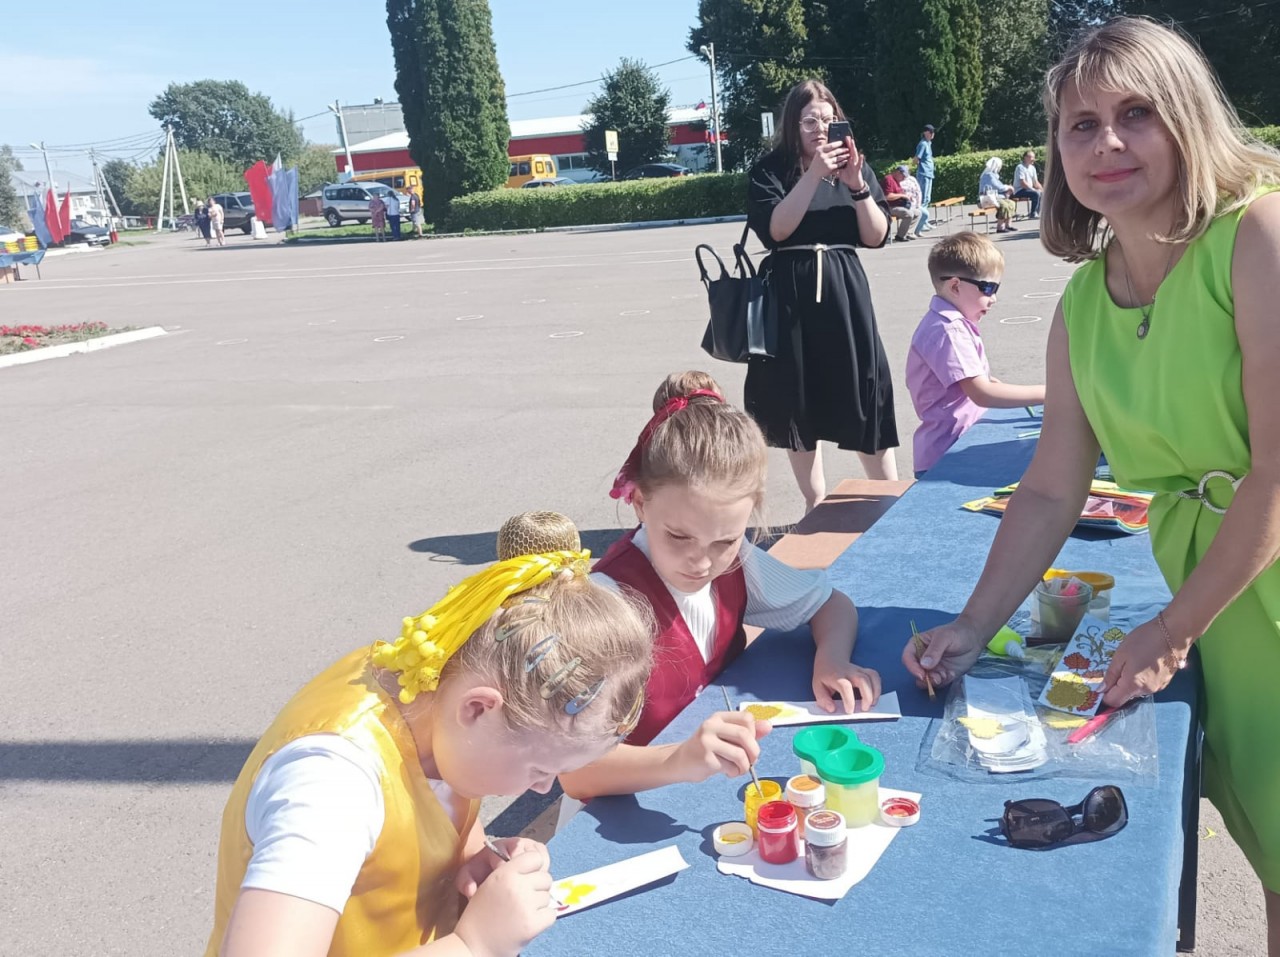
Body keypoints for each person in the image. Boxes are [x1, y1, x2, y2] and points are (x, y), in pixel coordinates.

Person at [902, 19, 1280, 953]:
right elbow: (1047, 490)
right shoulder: (1082, 303)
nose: (1107, 141)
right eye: (1081, 124)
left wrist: (1171, 629)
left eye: (1136, 114)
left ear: (1188, 121)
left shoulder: (1259, 235)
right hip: (1219, 594)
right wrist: (971, 626)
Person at [205, 517, 654, 957]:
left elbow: (422, 810)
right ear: (478, 708)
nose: (543, 787)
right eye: (541, 768)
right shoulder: (332, 788)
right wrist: (473, 944)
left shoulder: (432, 696)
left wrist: (471, 856)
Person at [559, 372, 881, 799]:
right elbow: (575, 775)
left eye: (725, 541)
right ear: (639, 502)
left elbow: (831, 605)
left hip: (710, 790)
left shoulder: (739, 563)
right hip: (619, 813)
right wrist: (679, 760)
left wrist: (832, 660)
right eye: (679, 537)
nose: (702, 562)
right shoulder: (608, 602)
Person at [744, 79, 899, 513]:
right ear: (792, 124)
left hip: (845, 293)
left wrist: (857, 186)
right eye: (810, 120)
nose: (820, 129)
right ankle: (815, 501)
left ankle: (889, 495)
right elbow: (777, 230)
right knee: (799, 396)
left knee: (865, 388)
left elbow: (876, 236)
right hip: (790, 296)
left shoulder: (856, 167)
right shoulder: (770, 170)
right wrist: (813, 174)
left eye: (829, 120)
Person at [906, 231, 1045, 473]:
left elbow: (980, 384)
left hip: (957, 447)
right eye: (988, 288)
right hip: (949, 454)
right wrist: (1050, 393)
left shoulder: (948, 323)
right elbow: (982, 393)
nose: (994, 298)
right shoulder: (949, 330)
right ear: (955, 286)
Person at [880, 164, 921, 242]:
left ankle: (907, 233)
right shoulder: (889, 179)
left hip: (897, 205)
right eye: (903, 176)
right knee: (908, 214)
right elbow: (888, 196)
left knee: (917, 213)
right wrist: (902, 195)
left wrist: (906, 197)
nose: (904, 178)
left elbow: (898, 194)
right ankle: (900, 236)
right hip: (887, 207)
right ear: (898, 172)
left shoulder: (897, 181)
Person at [978, 157, 1018, 233]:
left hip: (995, 197)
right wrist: (1008, 187)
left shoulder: (993, 175)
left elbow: (999, 187)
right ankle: (1000, 227)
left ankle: (1008, 225)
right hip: (987, 198)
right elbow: (998, 187)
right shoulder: (988, 175)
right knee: (1004, 205)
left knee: (1011, 203)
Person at [914, 123, 937, 234]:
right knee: (923, 199)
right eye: (930, 132)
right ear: (926, 133)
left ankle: (924, 221)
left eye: (933, 132)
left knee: (927, 199)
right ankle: (920, 223)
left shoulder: (928, 144)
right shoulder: (923, 144)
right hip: (923, 174)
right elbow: (916, 159)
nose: (932, 134)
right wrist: (919, 166)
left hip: (929, 174)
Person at [1013, 150, 1043, 218]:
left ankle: (1037, 212)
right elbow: (1023, 183)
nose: (1033, 159)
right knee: (1036, 193)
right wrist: (1033, 189)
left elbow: (1035, 182)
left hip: (1028, 190)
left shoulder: (1032, 168)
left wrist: (1042, 189)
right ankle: (1033, 213)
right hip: (1019, 190)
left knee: (1041, 193)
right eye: (1031, 157)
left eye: (1034, 157)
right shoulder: (1020, 167)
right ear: (1025, 158)